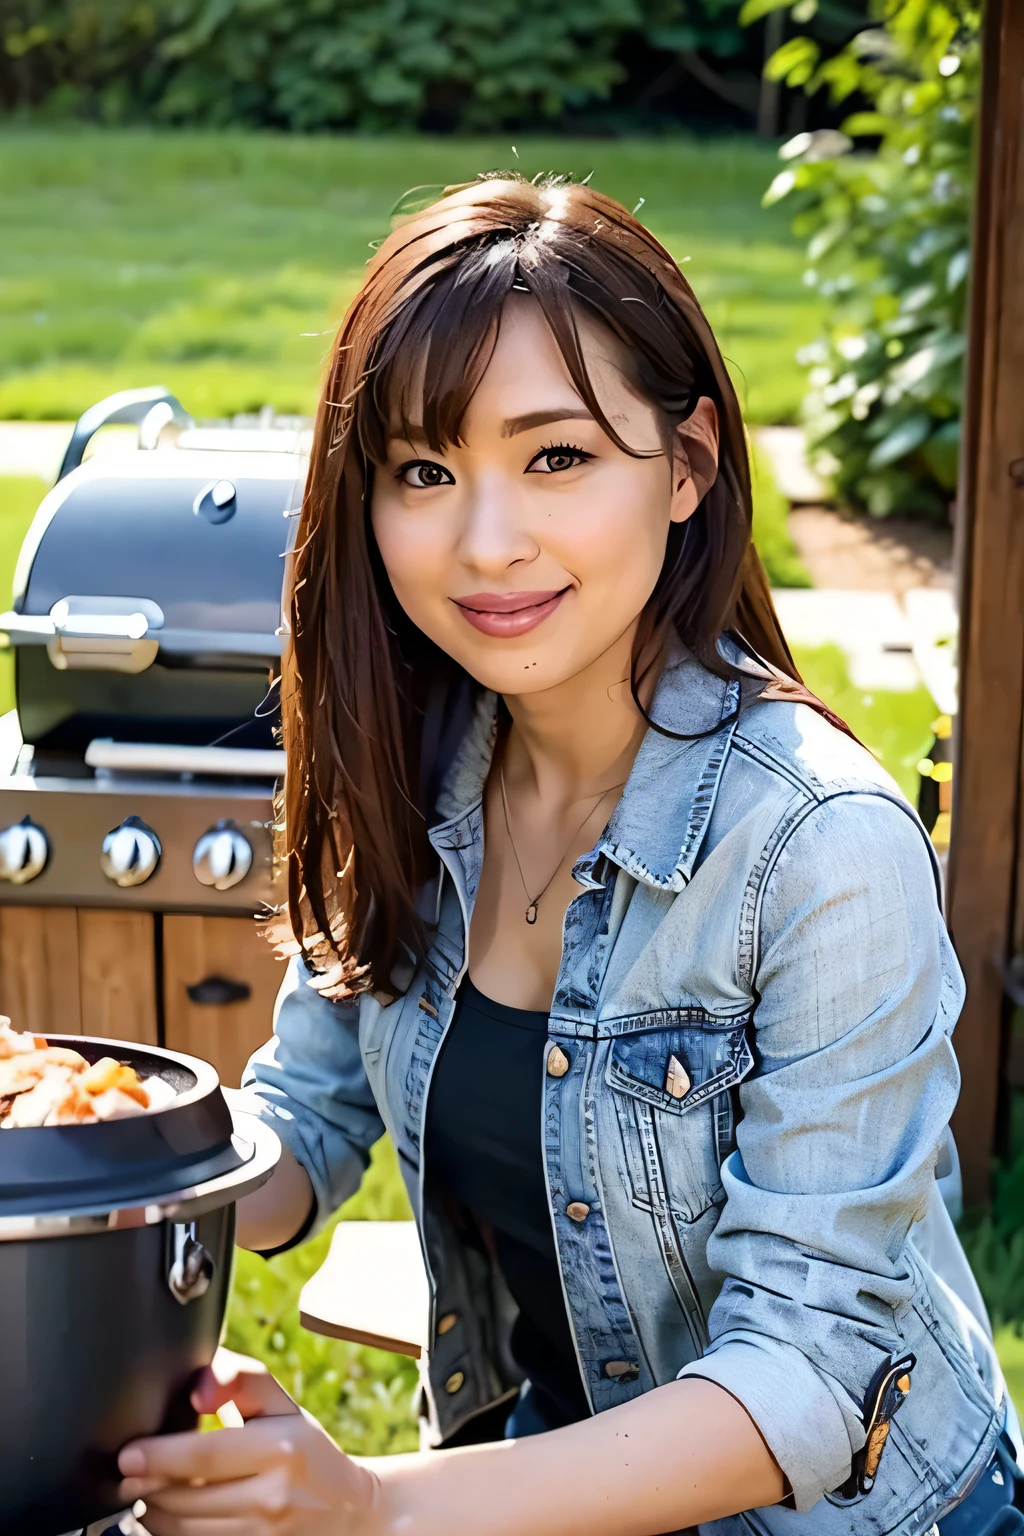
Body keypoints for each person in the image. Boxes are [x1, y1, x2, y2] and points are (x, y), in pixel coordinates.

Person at [119, 175, 1020, 1536]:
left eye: (555, 458)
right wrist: (102, 1152)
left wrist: (373, 1507)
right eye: (425, 472)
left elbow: (809, 1380)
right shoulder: (422, 767)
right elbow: (299, 1121)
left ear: (687, 464)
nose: (486, 545)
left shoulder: (819, 847)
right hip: (530, 1478)